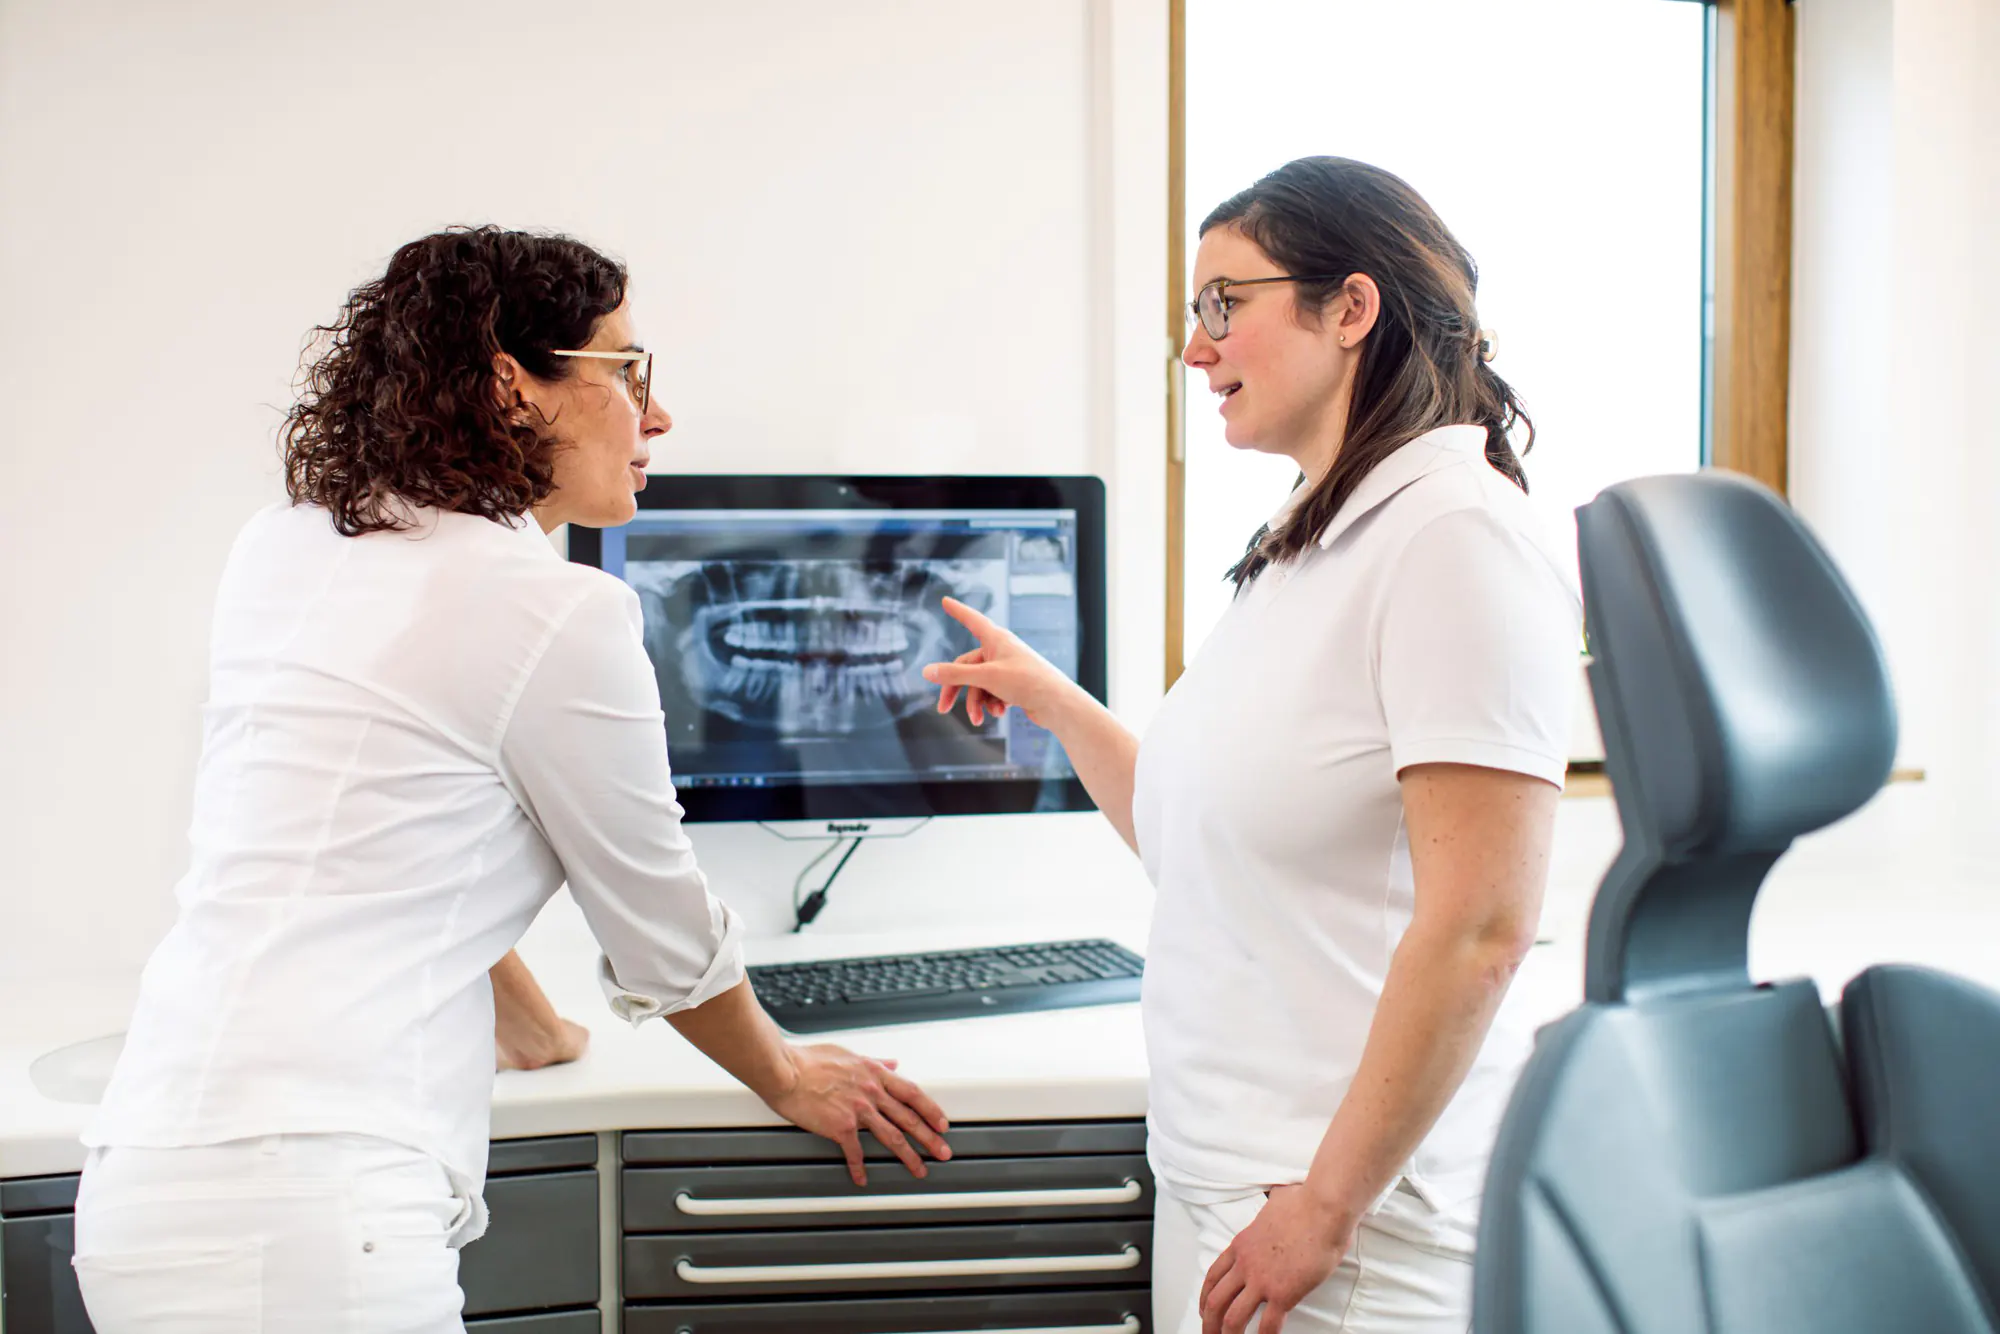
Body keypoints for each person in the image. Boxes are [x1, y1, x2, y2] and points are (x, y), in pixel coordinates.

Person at [71, 226, 951, 1333]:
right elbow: (658, 925)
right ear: (511, 385)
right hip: (310, 1211)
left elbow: (377, 826)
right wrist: (784, 1073)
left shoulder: (289, 544)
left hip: (149, 1173)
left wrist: (529, 1022)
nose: (658, 416)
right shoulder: (554, 611)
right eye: (628, 373)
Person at [923, 157, 1580, 1334]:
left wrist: (1325, 1206)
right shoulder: (1314, 536)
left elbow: (1481, 925)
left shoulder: (1452, 537)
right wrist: (1052, 699)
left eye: (1223, 303)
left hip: (1349, 1225)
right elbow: (1199, 835)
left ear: (1349, 308)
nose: (1194, 346)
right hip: (1234, 1183)